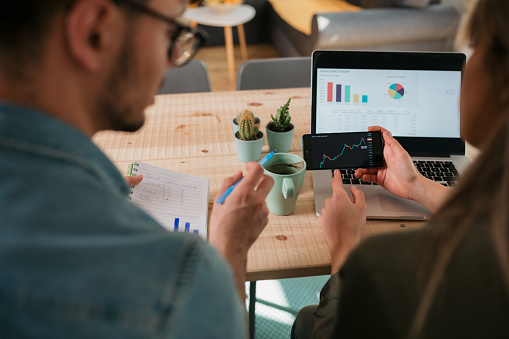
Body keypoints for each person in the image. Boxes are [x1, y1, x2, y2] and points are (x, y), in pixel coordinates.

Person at [0, 0, 273, 337]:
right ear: (94, 32)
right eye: (170, 31)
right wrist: (230, 251)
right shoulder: (178, 283)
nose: (173, 60)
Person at [292, 0, 509, 337]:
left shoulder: (381, 264)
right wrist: (415, 186)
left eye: (477, 44)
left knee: (309, 320)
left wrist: (345, 245)